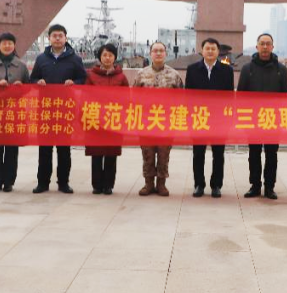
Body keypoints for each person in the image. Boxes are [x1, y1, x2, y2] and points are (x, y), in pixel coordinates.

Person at [30, 24, 87, 194]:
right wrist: (37, 82)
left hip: (65, 110)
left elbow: (82, 79)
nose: (57, 38)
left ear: (66, 38)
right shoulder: (41, 59)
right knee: (45, 149)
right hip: (46, 110)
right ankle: (43, 183)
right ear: (49, 38)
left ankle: (63, 183)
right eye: (54, 35)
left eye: (60, 35)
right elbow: (33, 79)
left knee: (64, 149)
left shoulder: (75, 59)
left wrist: (74, 83)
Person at [238, 33, 287, 200]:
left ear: (273, 47)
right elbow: (241, 95)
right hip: (253, 120)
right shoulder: (248, 69)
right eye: (262, 44)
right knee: (253, 154)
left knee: (271, 154)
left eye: (268, 44)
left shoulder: (281, 70)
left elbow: (286, 96)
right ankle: (255, 185)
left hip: (273, 120)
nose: (265, 47)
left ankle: (269, 187)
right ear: (257, 47)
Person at [132, 41, 184, 196]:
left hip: (166, 123)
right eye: (155, 51)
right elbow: (133, 99)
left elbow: (182, 100)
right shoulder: (141, 74)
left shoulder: (174, 75)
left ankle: (161, 184)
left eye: (161, 51)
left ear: (166, 53)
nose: (158, 53)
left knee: (163, 155)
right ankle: (148, 183)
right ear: (150, 53)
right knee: (147, 155)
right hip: (146, 122)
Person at [186, 37, 234, 198]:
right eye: (208, 48)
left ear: (218, 51)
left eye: (214, 49)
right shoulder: (192, 69)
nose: (210, 51)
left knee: (218, 154)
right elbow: (188, 96)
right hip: (199, 118)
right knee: (198, 153)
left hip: (219, 119)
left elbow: (229, 97)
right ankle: (199, 184)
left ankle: (216, 185)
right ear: (202, 50)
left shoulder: (227, 70)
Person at [0, 32, 29, 192]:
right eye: (4, 43)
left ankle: (9, 182)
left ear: (14, 46)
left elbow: (29, 89)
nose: (7, 46)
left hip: (14, 113)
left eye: (10, 43)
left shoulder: (21, 66)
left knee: (11, 149)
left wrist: (20, 86)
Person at [85, 43, 129, 195]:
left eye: (110, 55)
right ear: (99, 57)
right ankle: (97, 185)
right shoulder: (91, 75)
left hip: (114, 120)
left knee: (111, 154)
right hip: (95, 119)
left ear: (115, 57)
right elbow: (86, 97)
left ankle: (109, 185)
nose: (107, 58)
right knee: (96, 154)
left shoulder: (121, 77)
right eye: (104, 55)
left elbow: (126, 99)